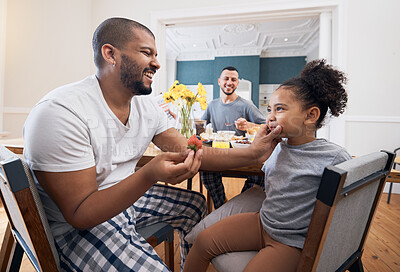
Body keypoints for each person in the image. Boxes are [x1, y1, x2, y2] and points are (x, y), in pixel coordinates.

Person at [23, 18, 282, 272]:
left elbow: (190, 150)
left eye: (156, 54)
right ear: (110, 54)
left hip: (124, 202)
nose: (157, 63)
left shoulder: (144, 105)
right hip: (77, 227)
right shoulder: (61, 112)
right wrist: (150, 174)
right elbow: (80, 214)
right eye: (147, 53)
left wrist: (254, 152)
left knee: (195, 205)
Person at [183, 59, 352, 272]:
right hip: (263, 222)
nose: (270, 117)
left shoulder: (334, 157)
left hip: (290, 241)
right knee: (203, 241)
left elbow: (347, 210)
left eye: (279, 109)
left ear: (311, 115)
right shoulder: (278, 147)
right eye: (270, 109)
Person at [200, 66, 266, 209]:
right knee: (205, 171)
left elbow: (265, 126)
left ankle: (238, 206)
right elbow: (201, 127)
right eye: (226, 78)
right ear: (219, 81)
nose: (229, 82)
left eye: (233, 79)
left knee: (259, 175)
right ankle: (221, 205)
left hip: (241, 153)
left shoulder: (247, 105)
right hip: (219, 152)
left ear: (237, 83)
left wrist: (248, 125)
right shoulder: (212, 105)